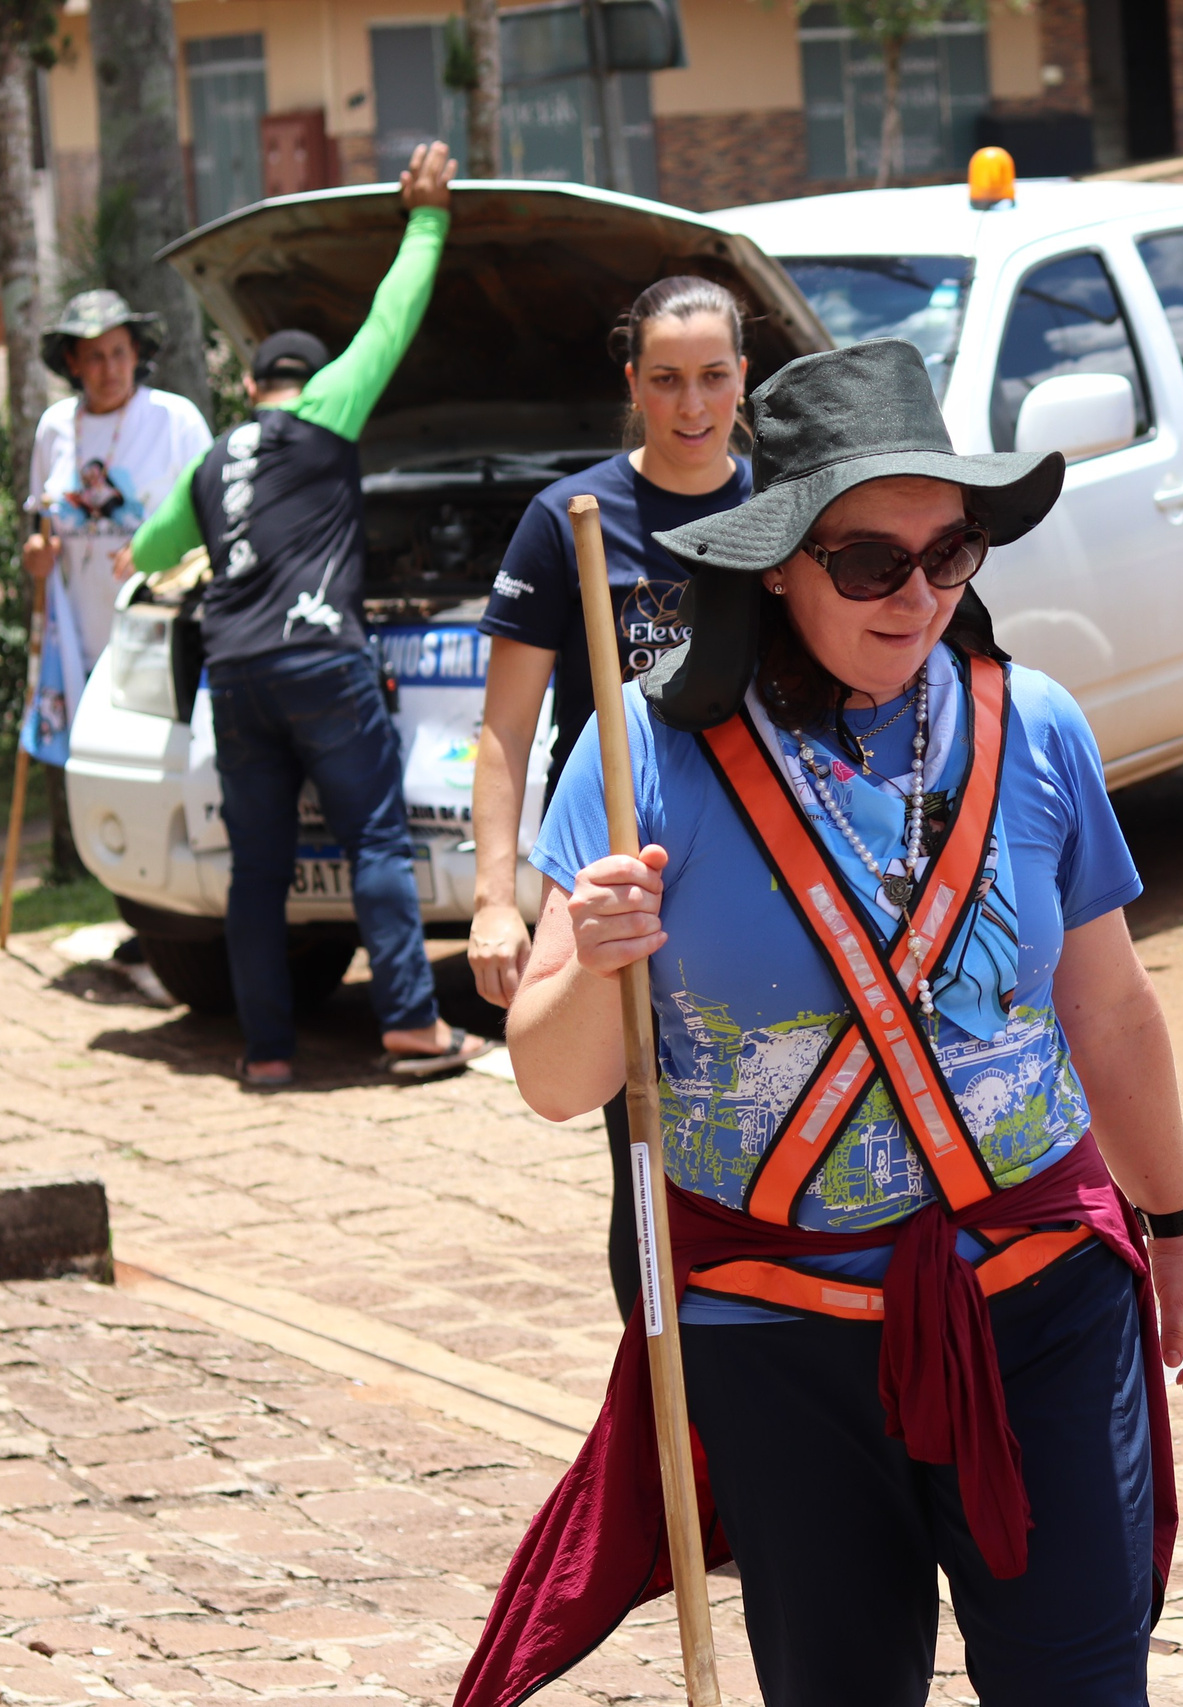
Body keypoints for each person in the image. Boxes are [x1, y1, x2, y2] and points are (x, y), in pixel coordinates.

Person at [477, 339, 1183, 1707]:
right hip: (783, 1336)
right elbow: (552, 1075)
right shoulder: (643, 759)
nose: (921, 594)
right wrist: (598, 960)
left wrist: (1179, 1226)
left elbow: (1108, 1009)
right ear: (779, 561)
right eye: (872, 564)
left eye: (950, 556)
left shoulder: (1039, 724)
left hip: (1041, 1301)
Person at [130, 141, 488, 1087]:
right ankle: (412, 1027)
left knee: (259, 867)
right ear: (309, 381)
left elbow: (154, 551)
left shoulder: (212, 460)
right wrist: (427, 218)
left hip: (234, 672)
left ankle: (268, 1050)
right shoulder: (329, 405)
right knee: (372, 838)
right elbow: (391, 319)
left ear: (249, 387)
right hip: (320, 659)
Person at [470, 274, 753, 1320]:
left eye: (713, 378)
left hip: (754, 867)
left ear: (741, 379)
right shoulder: (568, 521)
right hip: (618, 882)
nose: (691, 407)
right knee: (643, 1147)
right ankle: (658, 1379)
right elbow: (504, 731)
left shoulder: (774, 514)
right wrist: (497, 898)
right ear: (632, 382)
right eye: (667, 380)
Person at [22, 289, 213, 874]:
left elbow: (213, 515)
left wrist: (158, 551)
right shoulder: (56, 427)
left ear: (138, 355)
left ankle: (158, 897)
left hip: (155, 633)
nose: (108, 369)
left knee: (155, 766)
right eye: (94, 357)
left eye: (118, 354)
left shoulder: (173, 420)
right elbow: (40, 517)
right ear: (73, 364)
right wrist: (34, 553)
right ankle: (114, 881)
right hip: (76, 632)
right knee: (96, 765)